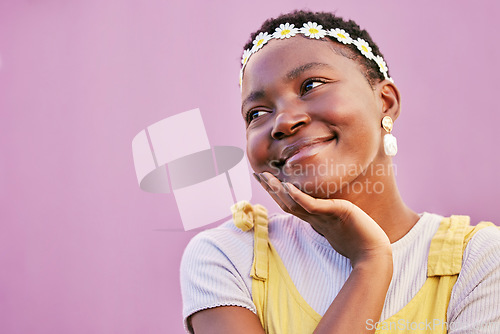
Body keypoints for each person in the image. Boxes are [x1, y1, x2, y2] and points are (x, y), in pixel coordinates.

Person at [180, 10, 500, 334]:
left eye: (311, 85)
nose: (283, 122)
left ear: (385, 102)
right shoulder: (228, 257)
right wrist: (370, 263)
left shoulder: (478, 262)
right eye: (257, 112)